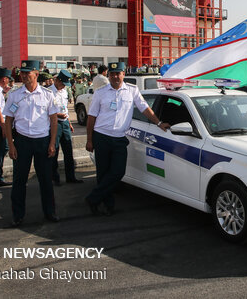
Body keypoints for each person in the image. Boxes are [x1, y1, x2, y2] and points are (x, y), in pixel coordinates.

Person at [85, 62, 169, 216]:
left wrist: (158, 123)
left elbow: (144, 108)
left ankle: (93, 198)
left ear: (124, 74)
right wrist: (89, 139)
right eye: (112, 74)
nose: (115, 77)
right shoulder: (100, 92)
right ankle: (106, 205)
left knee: (118, 172)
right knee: (103, 173)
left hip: (119, 138)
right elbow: (91, 117)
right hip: (101, 137)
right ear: (108, 75)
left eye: (118, 73)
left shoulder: (132, 90)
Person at [3, 60, 59, 227]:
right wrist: (11, 145)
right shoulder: (14, 95)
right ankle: (18, 215)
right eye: (22, 73)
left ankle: (50, 212)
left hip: (42, 141)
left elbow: (54, 120)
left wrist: (52, 143)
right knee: (19, 181)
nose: (24, 75)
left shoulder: (48, 95)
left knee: (45, 180)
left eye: (28, 73)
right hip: (22, 142)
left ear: (36, 74)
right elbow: (8, 120)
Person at [49, 69, 83, 185]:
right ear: (57, 80)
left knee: (68, 151)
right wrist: (57, 115)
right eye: (62, 83)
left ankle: (71, 177)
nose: (64, 86)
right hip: (54, 123)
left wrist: (69, 122)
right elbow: (45, 111)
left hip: (64, 123)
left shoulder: (64, 91)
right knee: (55, 151)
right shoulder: (49, 92)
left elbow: (65, 108)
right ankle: (55, 178)